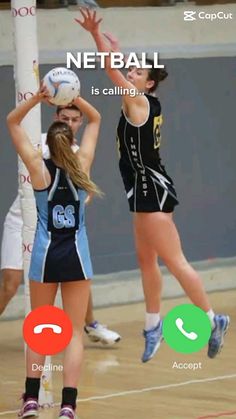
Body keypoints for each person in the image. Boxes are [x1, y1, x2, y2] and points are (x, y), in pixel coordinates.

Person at [76, 9, 230, 363]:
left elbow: (110, 71)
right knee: (147, 261)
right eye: (132, 69)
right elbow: (119, 69)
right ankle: (152, 326)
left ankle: (213, 318)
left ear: (147, 84)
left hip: (152, 190)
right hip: (143, 191)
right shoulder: (143, 101)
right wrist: (116, 46)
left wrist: (96, 37)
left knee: (175, 262)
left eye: (138, 72)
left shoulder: (138, 100)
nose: (131, 73)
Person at [6, 84, 103, 418]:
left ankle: (31, 399)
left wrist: (37, 98)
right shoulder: (83, 164)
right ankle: (68, 407)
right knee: (74, 333)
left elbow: (12, 123)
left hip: (45, 257)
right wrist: (74, 97)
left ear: (47, 142)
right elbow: (96, 118)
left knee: (41, 327)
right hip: (77, 255)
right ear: (70, 138)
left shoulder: (38, 168)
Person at [0, 103, 121, 346]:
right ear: (56, 117)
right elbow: (14, 124)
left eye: (75, 119)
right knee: (10, 283)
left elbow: (83, 186)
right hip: (23, 218)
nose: (69, 123)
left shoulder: (80, 152)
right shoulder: (41, 141)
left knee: (76, 271)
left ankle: (90, 324)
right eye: (64, 117)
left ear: (80, 123)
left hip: (53, 222)